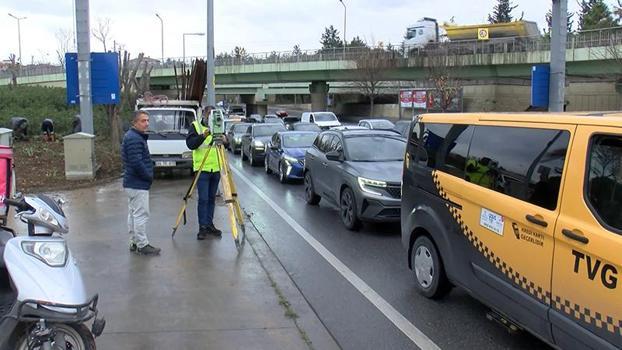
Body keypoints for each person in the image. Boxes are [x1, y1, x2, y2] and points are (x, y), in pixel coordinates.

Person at [121, 110, 161, 255]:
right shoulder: (135, 139)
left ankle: (133, 241)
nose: (147, 123)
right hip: (137, 183)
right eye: (143, 121)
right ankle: (142, 245)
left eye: (147, 120)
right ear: (135, 122)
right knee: (141, 215)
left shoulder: (133, 136)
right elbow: (136, 162)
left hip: (132, 183)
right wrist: (148, 175)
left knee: (133, 213)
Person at [185, 107, 227, 240]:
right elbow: (191, 144)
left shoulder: (219, 126)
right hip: (202, 169)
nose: (212, 118)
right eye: (210, 115)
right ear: (204, 115)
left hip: (216, 168)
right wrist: (204, 135)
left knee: (211, 199)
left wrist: (225, 139)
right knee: (203, 199)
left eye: (214, 115)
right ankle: (202, 227)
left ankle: (209, 224)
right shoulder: (196, 126)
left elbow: (226, 144)